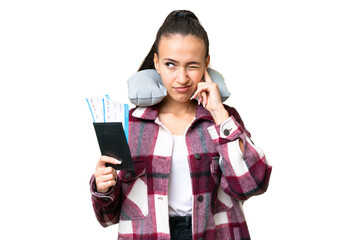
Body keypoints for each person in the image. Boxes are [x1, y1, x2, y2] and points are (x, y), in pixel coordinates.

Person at [90, 10, 272, 240]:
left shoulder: (223, 119)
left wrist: (218, 113)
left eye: (192, 66)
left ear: (206, 63)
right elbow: (107, 218)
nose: (182, 78)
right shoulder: (131, 125)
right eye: (170, 64)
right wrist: (103, 188)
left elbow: (252, 185)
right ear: (156, 62)